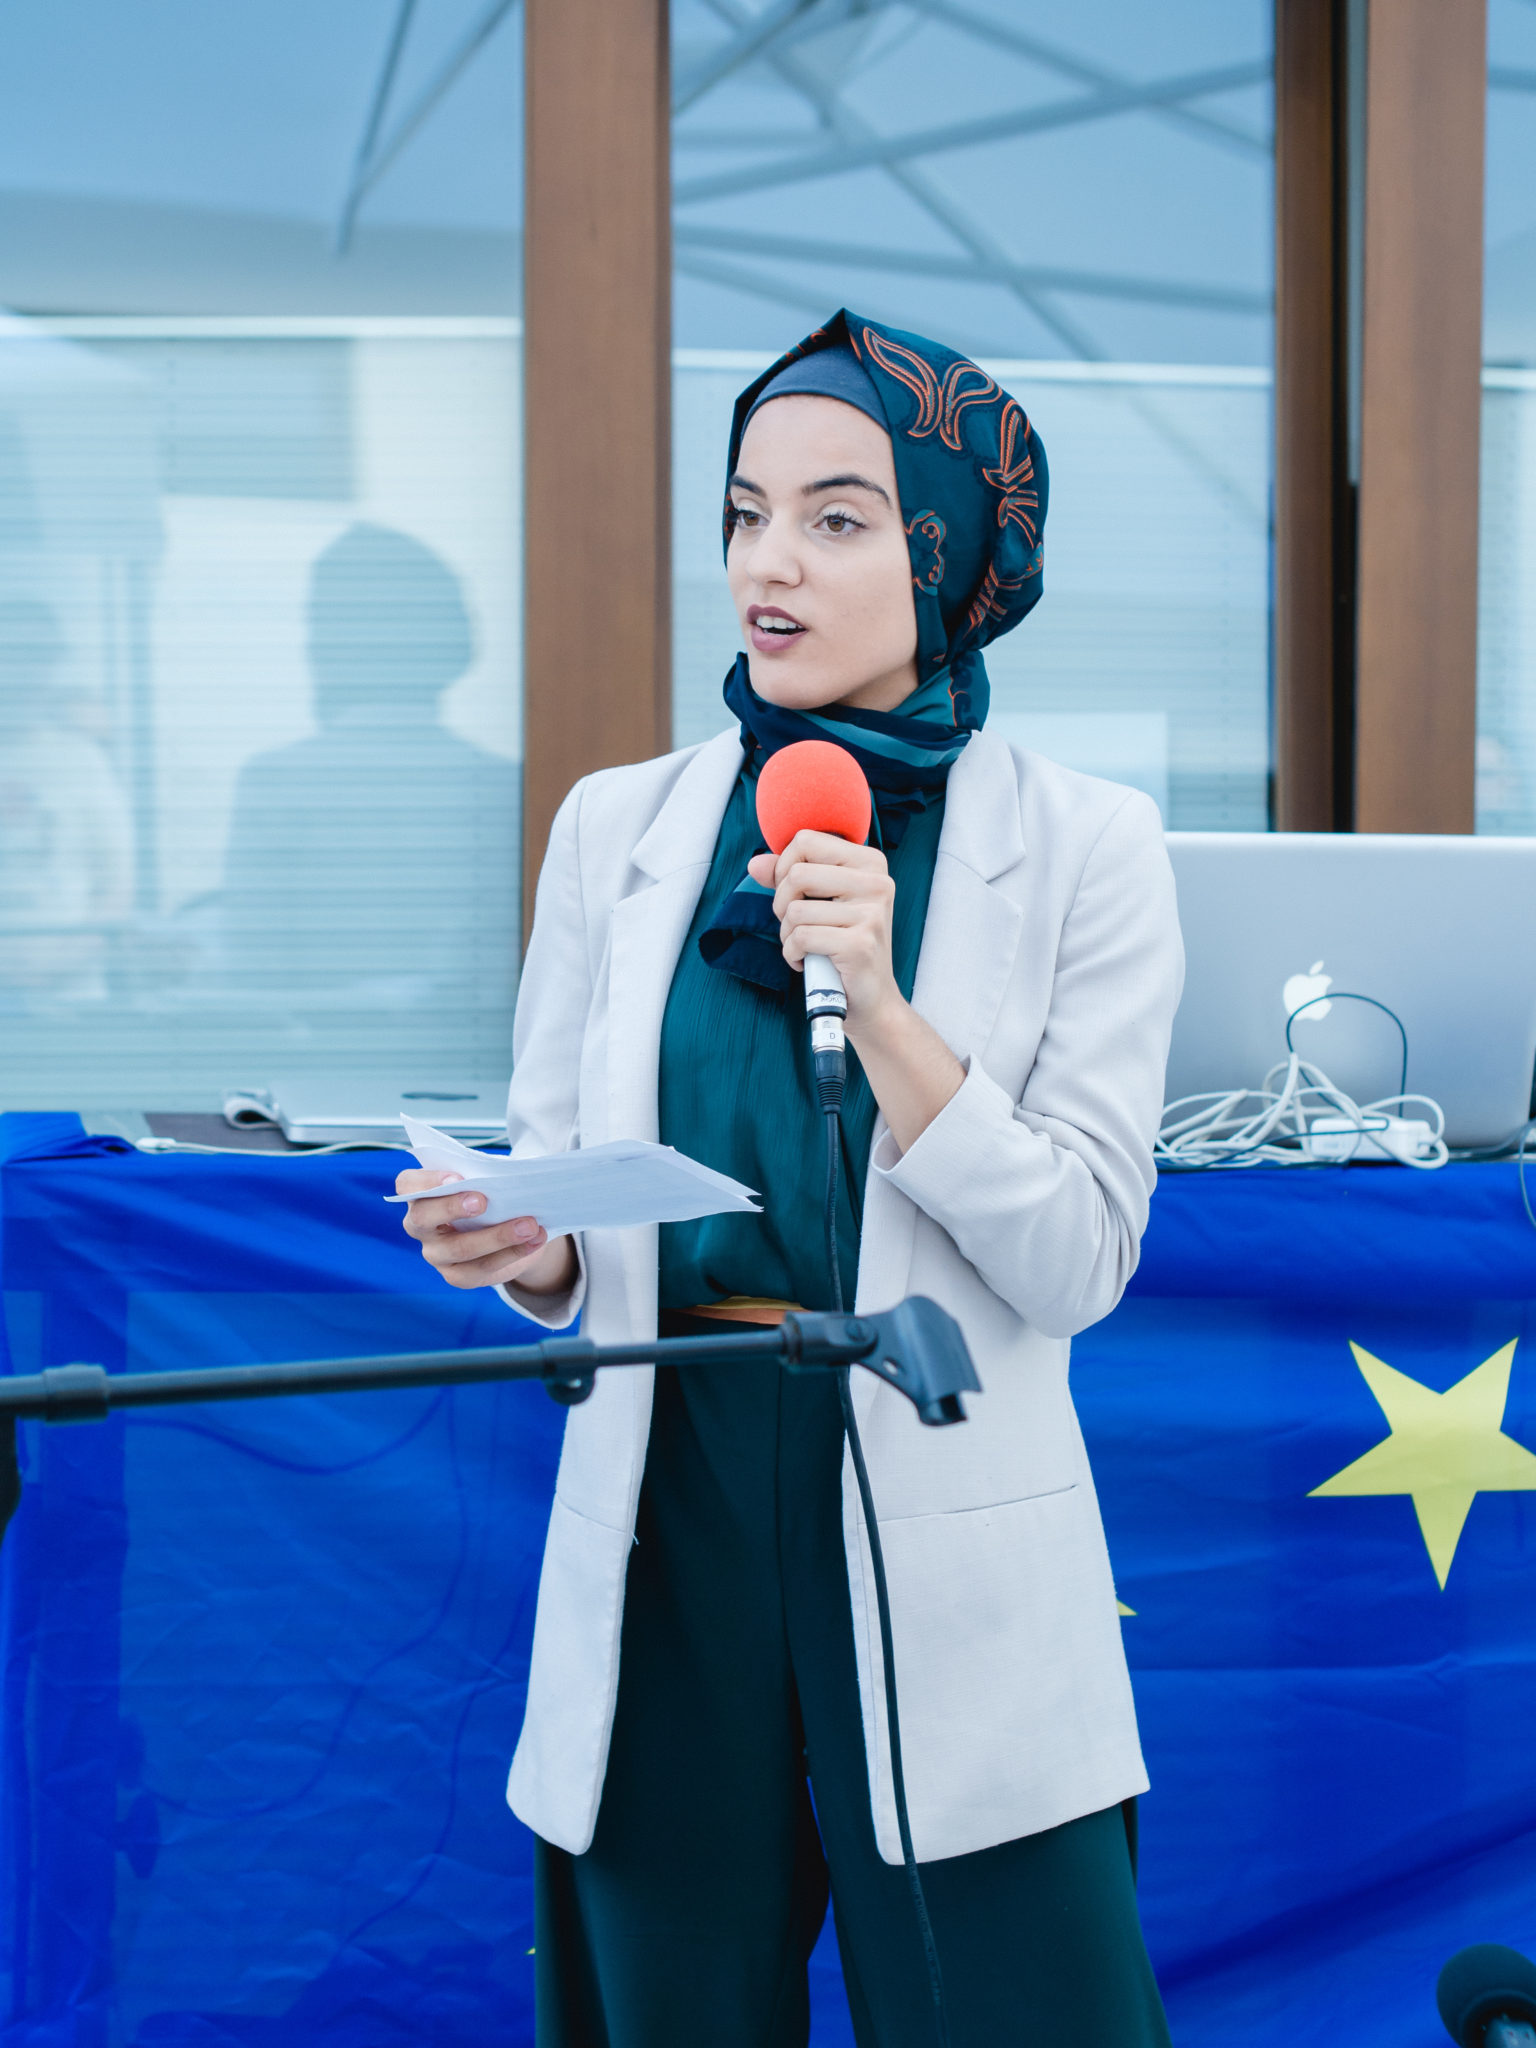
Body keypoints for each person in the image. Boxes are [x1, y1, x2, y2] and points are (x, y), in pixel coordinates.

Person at [399, 310, 1184, 2046]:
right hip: (671, 1477)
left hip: (936, 1476)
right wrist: (521, 1243)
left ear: (949, 552)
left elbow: (1077, 1260)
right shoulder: (618, 826)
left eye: (838, 518)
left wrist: (886, 1010)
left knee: (1014, 2005)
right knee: (668, 2001)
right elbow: (568, 1191)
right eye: (748, 512)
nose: (769, 564)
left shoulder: (1088, 846)